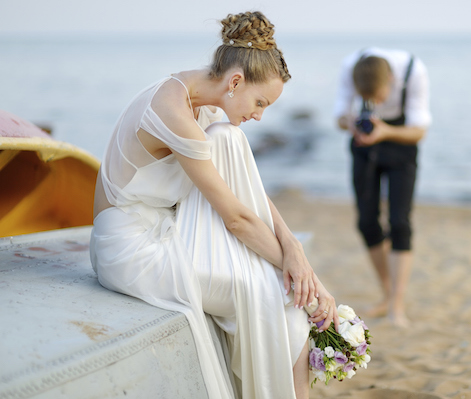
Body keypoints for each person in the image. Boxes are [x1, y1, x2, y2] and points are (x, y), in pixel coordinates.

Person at [90, 11, 339, 399]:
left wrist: (294, 249)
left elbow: (246, 194)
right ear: (235, 81)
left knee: (285, 295)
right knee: (278, 296)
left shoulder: (209, 107)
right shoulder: (172, 110)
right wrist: (309, 281)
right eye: (260, 102)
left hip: (169, 229)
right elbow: (237, 218)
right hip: (130, 247)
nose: (259, 115)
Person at [333, 47, 431, 327]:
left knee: (400, 223)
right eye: (368, 99)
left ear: (391, 81)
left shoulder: (414, 71)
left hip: (402, 142)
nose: (374, 103)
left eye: (377, 97)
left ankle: (396, 305)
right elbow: (339, 117)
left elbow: (419, 131)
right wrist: (350, 122)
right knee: (366, 222)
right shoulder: (350, 64)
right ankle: (388, 295)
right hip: (364, 145)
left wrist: (385, 131)